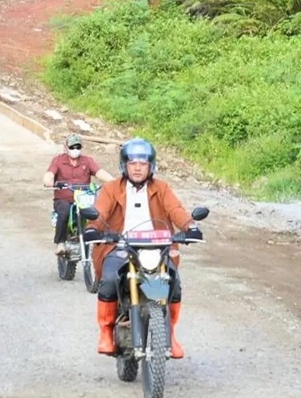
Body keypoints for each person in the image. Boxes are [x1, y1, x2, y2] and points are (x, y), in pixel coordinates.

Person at [84, 138, 203, 358]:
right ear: (124, 166)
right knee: (109, 280)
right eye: (132, 163)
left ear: (151, 166)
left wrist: (190, 226)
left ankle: (170, 333)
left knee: (173, 282)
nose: (137, 167)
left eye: (143, 163)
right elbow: (99, 212)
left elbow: (176, 209)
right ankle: (106, 332)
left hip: (155, 248)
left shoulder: (162, 188)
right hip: (120, 247)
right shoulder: (111, 189)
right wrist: (93, 228)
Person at [42, 134, 113, 255]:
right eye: (72, 147)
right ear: (66, 147)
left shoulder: (87, 161)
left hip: (84, 199)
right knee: (63, 212)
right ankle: (60, 243)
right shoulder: (58, 161)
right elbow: (49, 174)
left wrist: (113, 181)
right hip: (64, 199)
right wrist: (49, 181)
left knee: (100, 213)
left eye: (77, 146)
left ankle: (104, 244)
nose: (75, 149)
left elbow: (99, 172)